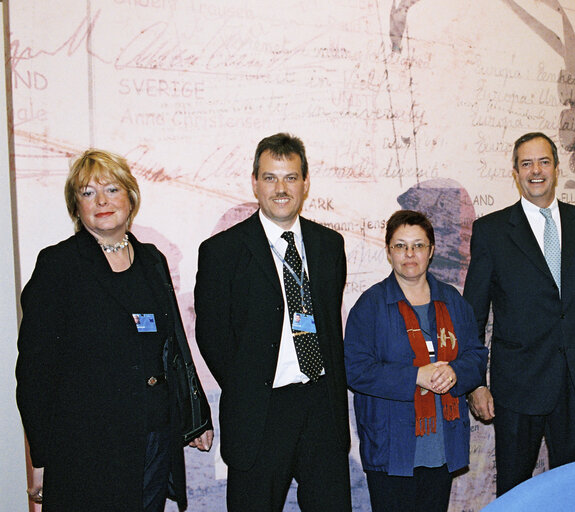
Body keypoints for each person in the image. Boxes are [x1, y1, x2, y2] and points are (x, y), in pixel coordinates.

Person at [15, 149, 213, 511]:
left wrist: (195, 415)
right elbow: (34, 373)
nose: (102, 201)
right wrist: (40, 459)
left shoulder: (153, 260)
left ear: (130, 197)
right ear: (76, 206)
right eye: (88, 192)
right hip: (86, 449)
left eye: (112, 189)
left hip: (153, 438)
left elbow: (174, 346)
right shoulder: (58, 266)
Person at [462, 131, 575, 496]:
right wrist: (475, 381)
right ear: (515, 173)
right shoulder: (491, 231)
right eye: (526, 163)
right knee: (514, 490)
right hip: (518, 387)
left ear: (557, 168)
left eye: (543, 161)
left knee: (572, 489)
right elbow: (473, 315)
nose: (536, 171)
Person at [194, 133, 351, 511]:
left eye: (291, 177)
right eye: (270, 178)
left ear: (306, 183)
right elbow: (211, 336)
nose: (281, 189)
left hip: (320, 411)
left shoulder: (329, 245)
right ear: (254, 183)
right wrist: (249, 385)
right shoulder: (222, 251)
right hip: (260, 414)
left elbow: (328, 324)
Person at [344, 210, 488, 512]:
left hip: (442, 446)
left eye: (418, 245)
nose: (409, 254)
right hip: (391, 447)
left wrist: (456, 372)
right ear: (388, 252)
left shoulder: (453, 301)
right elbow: (355, 370)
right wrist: (415, 377)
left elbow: (476, 354)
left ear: (431, 251)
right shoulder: (371, 305)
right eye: (400, 246)